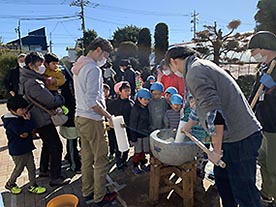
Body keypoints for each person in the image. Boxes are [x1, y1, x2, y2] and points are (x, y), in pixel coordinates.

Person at [165, 46, 263, 207]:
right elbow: (199, 104)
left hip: (240, 138)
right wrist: (188, 126)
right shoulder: (198, 67)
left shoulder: (195, 72)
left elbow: (214, 113)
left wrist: (216, 151)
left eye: (170, 67)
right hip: (228, 137)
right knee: (224, 186)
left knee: (244, 194)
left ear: (173, 61)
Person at [72, 37, 117, 205]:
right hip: (92, 120)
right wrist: (108, 116)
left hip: (80, 117)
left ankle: (87, 191)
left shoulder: (79, 65)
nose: (104, 59)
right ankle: (100, 196)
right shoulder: (93, 69)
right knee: (100, 160)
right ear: (98, 50)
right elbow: (93, 102)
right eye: (105, 54)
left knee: (87, 158)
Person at [19, 52, 69, 187]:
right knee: (56, 146)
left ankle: (43, 170)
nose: (42, 67)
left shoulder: (25, 78)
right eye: (40, 64)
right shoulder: (33, 82)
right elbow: (51, 101)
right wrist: (60, 97)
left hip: (37, 117)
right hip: (42, 118)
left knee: (48, 144)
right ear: (31, 65)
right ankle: (56, 177)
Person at [248, 31, 276, 206]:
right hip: (262, 124)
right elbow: (255, 95)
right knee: (264, 163)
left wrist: (272, 86)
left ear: (266, 48)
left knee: (274, 166)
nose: (253, 55)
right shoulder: (264, 68)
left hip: (275, 126)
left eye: (254, 51)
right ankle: (267, 194)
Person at [2, 95, 47, 195]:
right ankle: (10, 183)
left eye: (25, 108)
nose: (24, 111)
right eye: (21, 109)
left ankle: (33, 185)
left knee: (32, 167)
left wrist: (28, 124)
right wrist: (28, 122)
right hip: (18, 150)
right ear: (12, 110)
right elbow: (23, 134)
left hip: (26, 148)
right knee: (19, 168)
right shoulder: (11, 122)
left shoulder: (21, 117)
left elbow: (29, 130)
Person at [107, 81, 134, 170]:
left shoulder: (131, 103)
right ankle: (118, 161)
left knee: (126, 146)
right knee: (118, 146)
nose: (128, 93)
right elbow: (110, 116)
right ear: (120, 91)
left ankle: (124, 160)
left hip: (127, 129)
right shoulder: (113, 103)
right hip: (117, 130)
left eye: (129, 91)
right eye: (125, 91)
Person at [59, 66, 81, 173]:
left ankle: (71, 158)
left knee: (73, 141)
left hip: (76, 116)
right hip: (71, 118)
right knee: (72, 141)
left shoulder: (74, 84)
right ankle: (74, 165)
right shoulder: (68, 85)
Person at [129, 88, 151, 175]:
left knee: (143, 150)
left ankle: (143, 163)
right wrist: (133, 137)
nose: (146, 101)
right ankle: (135, 165)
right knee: (137, 151)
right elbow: (132, 123)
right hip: (137, 135)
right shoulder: (135, 110)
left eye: (148, 100)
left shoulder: (145, 108)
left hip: (144, 133)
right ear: (139, 99)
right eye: (144, 99)